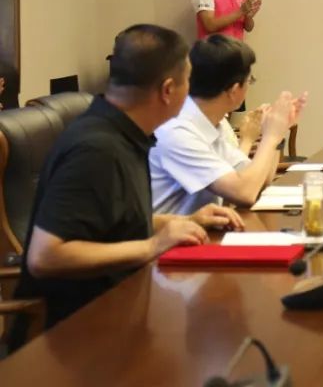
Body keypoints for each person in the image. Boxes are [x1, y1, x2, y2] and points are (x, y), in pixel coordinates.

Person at [11, 25, 243, 344]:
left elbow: (112, 220)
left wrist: (184, 220)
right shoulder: (97, 149)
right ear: (167, 90)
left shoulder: (126, 133)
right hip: (77, 335)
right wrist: (152, 245)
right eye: (188, 80)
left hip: (126, 310)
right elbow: (45, 257)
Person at [151, 35, 308, 215]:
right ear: (234, 90)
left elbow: (260, 180)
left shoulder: (213, 124)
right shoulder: (177, 131)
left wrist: (276, 131)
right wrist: (271, 136)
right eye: (249, 81)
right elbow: (245, 193)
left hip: (206, 229)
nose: (249, 86)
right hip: (177, 233)